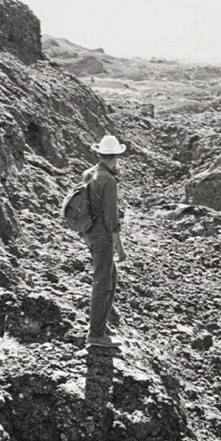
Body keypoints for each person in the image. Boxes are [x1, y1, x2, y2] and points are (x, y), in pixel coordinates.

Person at [82, 134, 127, 348]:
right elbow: (111, 218)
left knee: (110, 277)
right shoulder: (108, 180)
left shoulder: (90, 174)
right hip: (103, 237)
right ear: (115, 156)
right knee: (103, 283)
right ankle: (96, 334)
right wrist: (120, 248)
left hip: (90, 234)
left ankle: (101, 324)